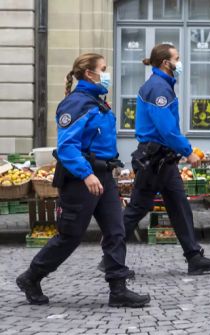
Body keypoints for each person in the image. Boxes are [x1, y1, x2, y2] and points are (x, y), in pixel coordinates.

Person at [16, 53, 150, 308]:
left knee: (116, 230)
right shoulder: (76, 104)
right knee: (70, 236)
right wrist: (86, 174)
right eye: (103, 69)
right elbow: (67, 147)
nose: (107, 74)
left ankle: (118, 289)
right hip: (81, 178)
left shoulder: (95, 101)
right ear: (89, 73)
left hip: (102, 176)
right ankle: (31, 277)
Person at [106, 44, 210, 275]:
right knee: (137, 209)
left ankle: (194, 257)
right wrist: (188, 151)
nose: (180, 63)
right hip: (155, 158)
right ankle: (110, 255)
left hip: (161, 159)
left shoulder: (161, 85)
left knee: (179, 207)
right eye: (177, 58)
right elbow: (167, 129)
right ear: (165, 63)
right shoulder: (159, 88)